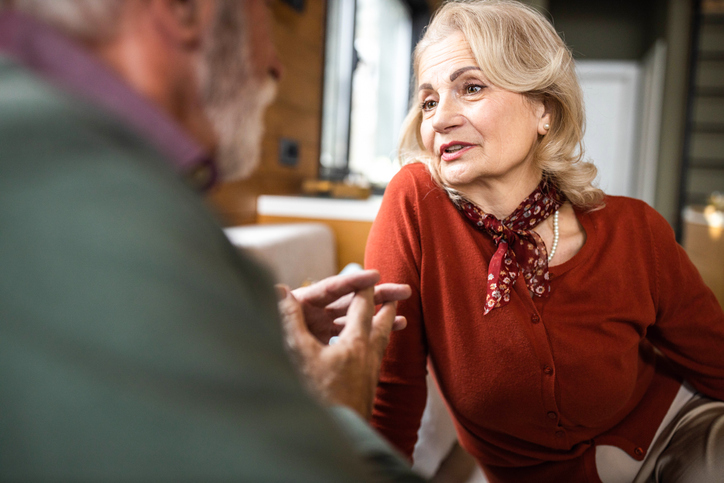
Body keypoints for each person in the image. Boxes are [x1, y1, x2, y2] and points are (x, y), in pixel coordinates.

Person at [0, 0, 422, 481]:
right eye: (264, 23)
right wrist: (336, 410)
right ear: (183, 11)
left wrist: (250, 336)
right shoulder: (82, 187)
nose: (276, 66)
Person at [365, 1, 724, 482]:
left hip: (675, 430)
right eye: (429, 101)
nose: (440, 118)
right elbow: (391, 394)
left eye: (471, 87)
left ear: (543, 111)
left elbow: (715, 358)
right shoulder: (415, 203)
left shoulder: (637, 230)